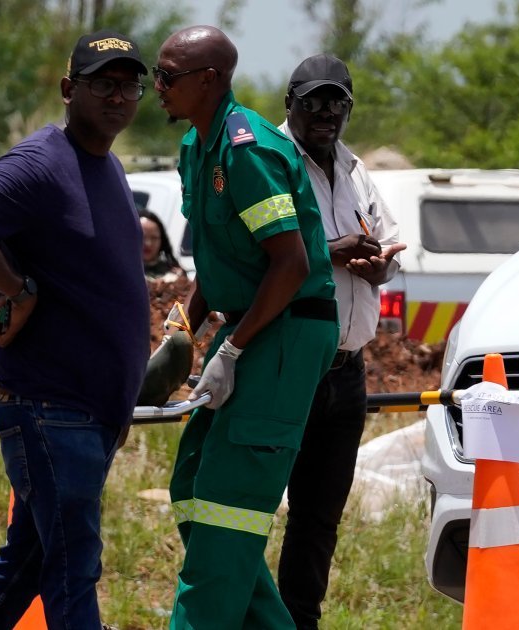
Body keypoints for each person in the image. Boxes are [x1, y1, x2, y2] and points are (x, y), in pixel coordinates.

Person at [0, 29, 150, 627]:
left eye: (131, 85)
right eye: (104, 83)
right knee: (73, 569)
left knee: (25, 563)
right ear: (67, 89)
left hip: (86, 411)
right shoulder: (43, 162)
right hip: (52, 405)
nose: (119, 96)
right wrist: (17, 286)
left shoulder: (105, 166)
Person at [154, 26, 340, 629]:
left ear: (208, 80)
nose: (155, 87)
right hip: (250, 329)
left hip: (283, 334)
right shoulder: (194, 147)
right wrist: (187, 319)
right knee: (194, 489)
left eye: (167, 75)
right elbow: (218, 258)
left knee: (225, 519)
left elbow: (291, 264)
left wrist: (231, 348)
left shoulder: (247, 150)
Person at [275, 54, 405, 629]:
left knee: (320, 514)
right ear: (290, 103)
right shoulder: (271, 162)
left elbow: (391, 243)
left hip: (347, 370)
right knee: (249, 507)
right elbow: (259, 257)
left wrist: (379, 266)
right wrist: (333, 252)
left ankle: (299, 620)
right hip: (287, 363)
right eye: (314, 101)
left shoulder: (354, 170)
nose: (326, 112)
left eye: (337, 102)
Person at [140, 208, 186, 280]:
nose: (148, 243)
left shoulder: (174, 274)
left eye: (154, 238)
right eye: (142, 237)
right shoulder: (121, 271)